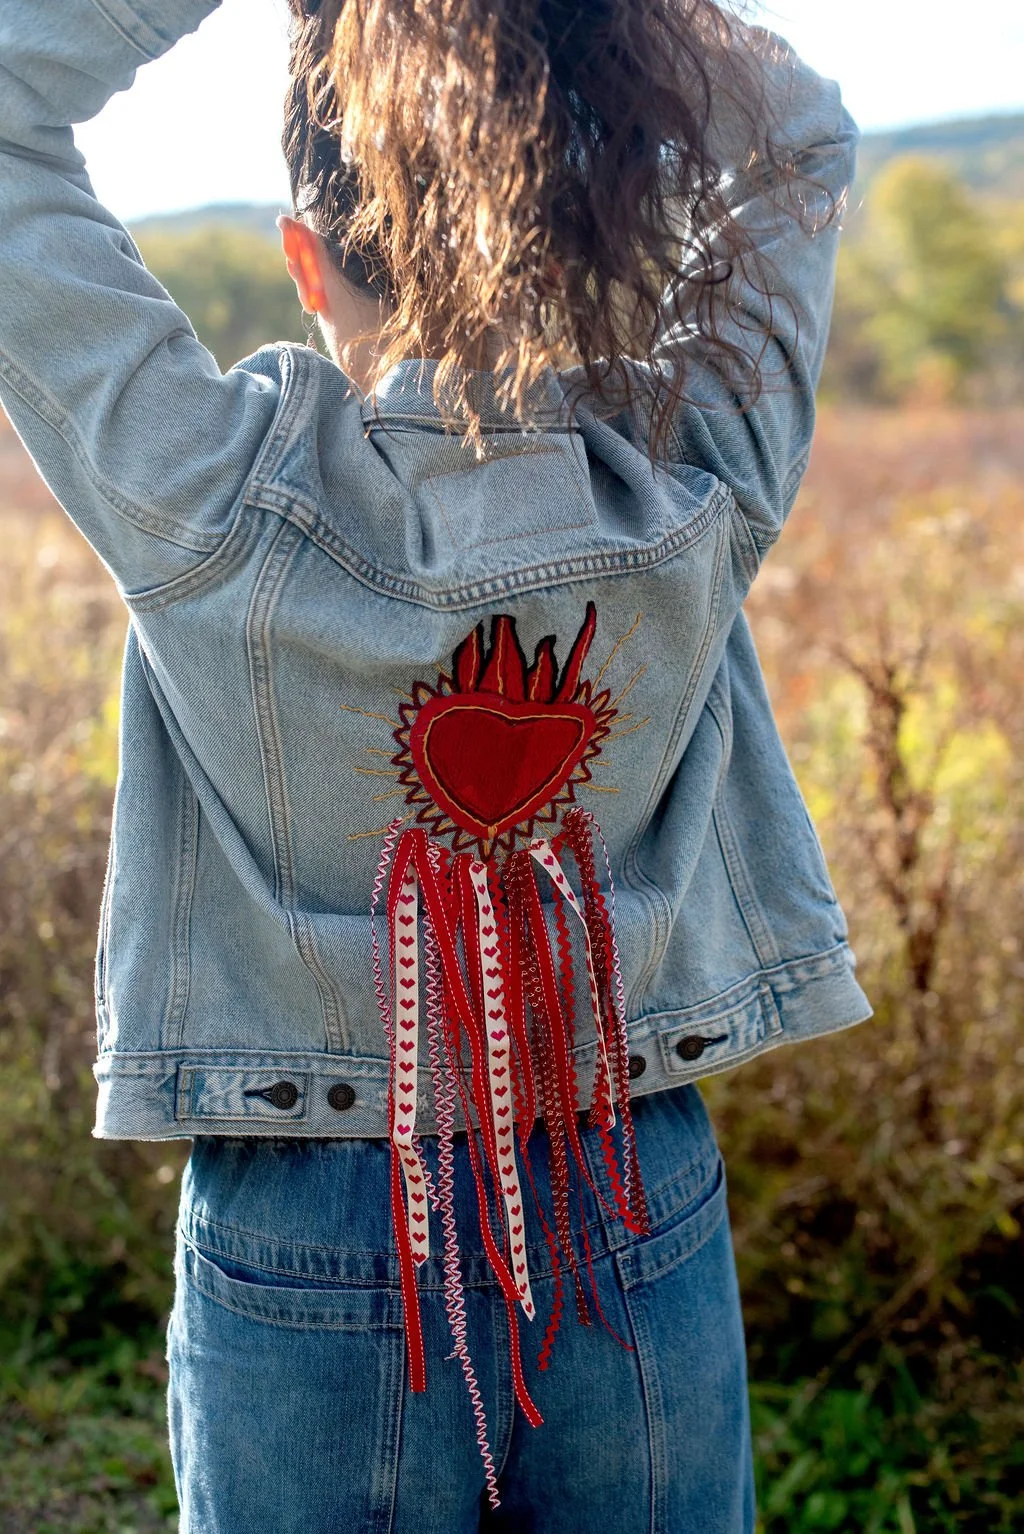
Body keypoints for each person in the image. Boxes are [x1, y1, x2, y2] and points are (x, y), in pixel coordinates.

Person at [0, 0, 870, 1529]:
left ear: (301, 253)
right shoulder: (686, 477)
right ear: (550, 230)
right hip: (622, 1169)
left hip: (311, 1204)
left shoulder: (207, 504)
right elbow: (798, 137)